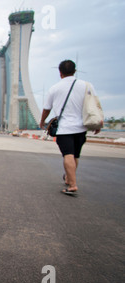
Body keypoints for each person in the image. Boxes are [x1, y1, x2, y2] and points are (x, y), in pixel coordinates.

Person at [39, 59, 101, 197]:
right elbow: (94, 105)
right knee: (75, 155)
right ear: (75, 71)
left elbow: (46, 108)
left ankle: (72, 185)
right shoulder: (86, 85)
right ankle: (68, 178)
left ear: (60, 72)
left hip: (65, 128)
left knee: (68, 155)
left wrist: (42, 121)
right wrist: (98, 122)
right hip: (81, 128)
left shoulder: (55, 88)